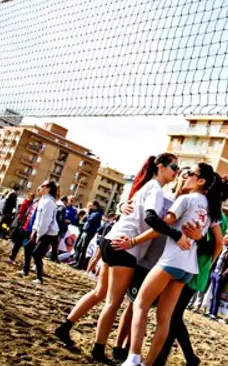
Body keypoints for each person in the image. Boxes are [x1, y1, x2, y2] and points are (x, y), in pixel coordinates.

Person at [54, 153, 181, 364]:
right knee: (113, 302)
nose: (176, 172)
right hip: (125, 246)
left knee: (99, 293)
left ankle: (65, 327)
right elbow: (150, 217)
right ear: (161, 167)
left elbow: (128, 208)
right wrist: (176, 234)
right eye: (174, 167)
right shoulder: (156, 190)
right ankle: (98, 350)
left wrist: (122, 208)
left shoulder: (147, 186)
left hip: (111, 240)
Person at [117, 163, 224, 366]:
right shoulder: (211, 208)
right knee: (164, 319)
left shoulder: (186, 199)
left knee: (140, 304)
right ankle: (148, 364)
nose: (186, 176)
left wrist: (132, 241)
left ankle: (133, 359)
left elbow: (160, 227)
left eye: (191, 174)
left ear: (200, 181)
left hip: (171, 260)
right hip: (188, 267)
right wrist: (207, 267)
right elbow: (219, 242)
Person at [152, 174, 228, 366]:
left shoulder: (217, 217)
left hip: (193, 268)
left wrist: (202, 248)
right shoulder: (215, 214)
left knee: (174, 315)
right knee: (174, 315)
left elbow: (213, 246)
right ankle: (187, 358)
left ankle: (177, 358)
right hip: (193, 267)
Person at [20, 181, 59, 284]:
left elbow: (45, 221)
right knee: (28, 247)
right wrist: (34, 231)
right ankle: (25, 270)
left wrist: (38, 235)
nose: (40, 187)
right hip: (40, 230)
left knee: (37, 254)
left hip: (48, 232)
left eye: (42, 186)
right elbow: (38, 219)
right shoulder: (43, 200)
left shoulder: (49, 202)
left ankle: (39, 278)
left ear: (48, 188)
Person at [207, 233, 228, 320]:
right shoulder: (222, 248)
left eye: (226, 238)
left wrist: (223, 275)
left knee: (217, 294)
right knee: (213, 293)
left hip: (220, 275)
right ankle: (210, 311)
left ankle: (214, 313)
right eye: (224, 237)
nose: (224, 239)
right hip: (215, 273)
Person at [7, 193, 37, 265]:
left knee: (26, 245)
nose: (31, 198)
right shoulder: (27, 202)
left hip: (29, 226)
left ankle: (26, 264)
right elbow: (22, 212)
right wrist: (21, 221)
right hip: (24, 225)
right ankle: (12, 257)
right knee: (19, 242)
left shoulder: (33, 203)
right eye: (30, 196)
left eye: (32, 197)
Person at [74, 201, 104, 269]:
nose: (91, 207)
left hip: (90, 232)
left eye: (92, 206)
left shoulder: (98, 213)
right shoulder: (92, 212)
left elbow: (90, 219)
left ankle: (80, 264)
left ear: (95, 206)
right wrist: (88, 212)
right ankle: (76, 260)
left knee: (83, 248)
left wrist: (89, 214)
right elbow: (84, 219)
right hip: (85, 230)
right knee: (79, 246)